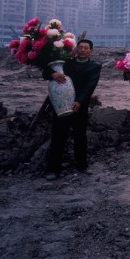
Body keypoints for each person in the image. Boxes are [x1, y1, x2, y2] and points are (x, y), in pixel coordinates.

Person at [43, 39, 102, 180]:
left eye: (85, 48)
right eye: (80, 47)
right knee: (58, 136)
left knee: (80, 136)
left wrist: (79, 102)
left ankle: (82, 165)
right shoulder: (67, 63)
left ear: (91, 51)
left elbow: (89, 86)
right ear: (76, 49)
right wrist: (53, 74)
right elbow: (45, 72)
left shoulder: (94, 66)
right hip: (61, 104)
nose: (82, 50)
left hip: (79, 107)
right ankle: (53, 169)